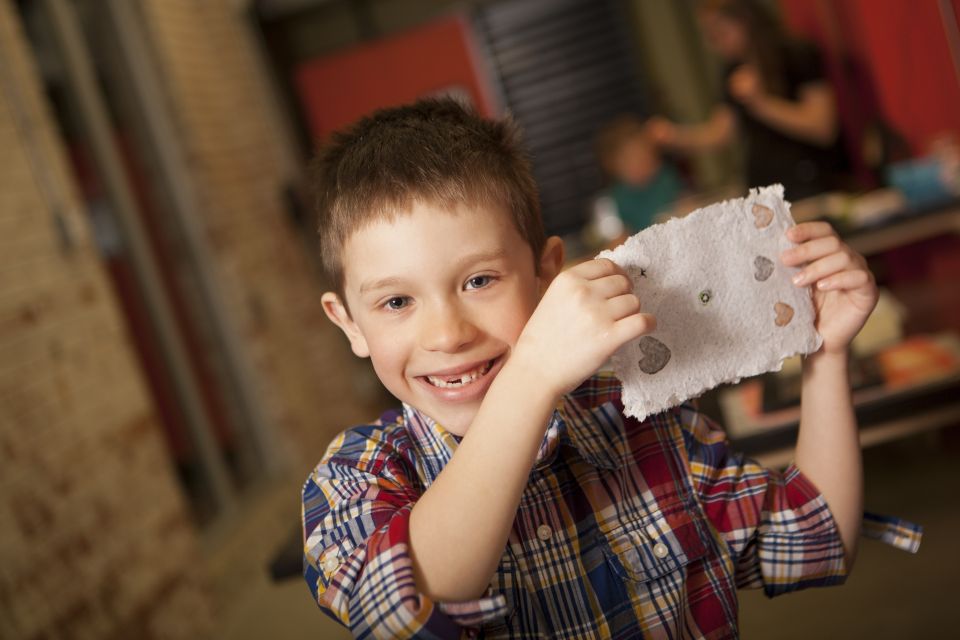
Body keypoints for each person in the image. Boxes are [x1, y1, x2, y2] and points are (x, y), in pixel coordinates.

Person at [302, 98, 919, 638]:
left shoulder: (639, 417)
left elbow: (816, 540)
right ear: (350, 323)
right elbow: (409, 608)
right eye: (396, 302)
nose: (447, 334)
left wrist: (828, 352)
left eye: (480, 280)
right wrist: (532, 375)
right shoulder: (354, 481)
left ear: (547, 273)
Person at [647, 0, 848, 200]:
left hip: (812, 182)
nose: (714, 43)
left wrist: (760, 103)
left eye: (719, 32)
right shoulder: (732, 70)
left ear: (744, 20)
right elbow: (720, 133)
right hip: (763, 188)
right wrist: (675, 136)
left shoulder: (796, 53)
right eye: (710, 35)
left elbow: (822, 128)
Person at [594, 115, 683, 235]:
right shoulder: (616, 199)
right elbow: (616, 235)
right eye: (631, 160)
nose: (642, 163)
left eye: (645, 156)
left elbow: (683, 203)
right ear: (613, 166)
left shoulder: (666, 178)